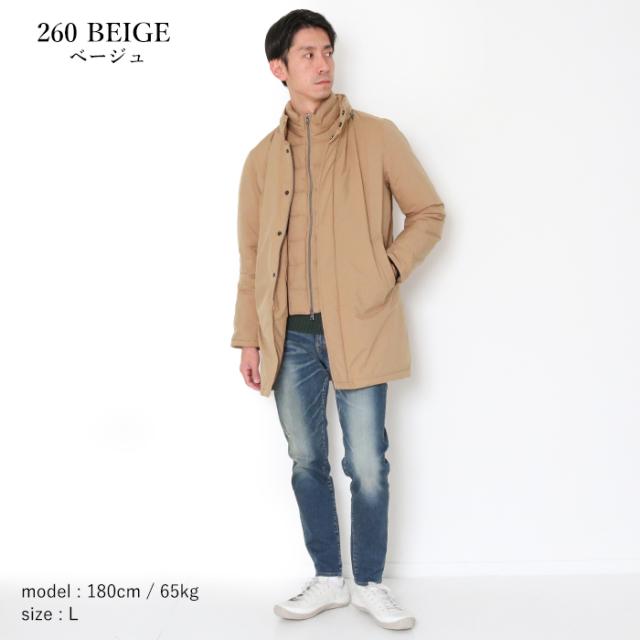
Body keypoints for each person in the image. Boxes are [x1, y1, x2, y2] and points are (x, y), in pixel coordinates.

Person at [230, 8, 446, 631]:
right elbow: (251, 258)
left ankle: (370, 583)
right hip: (289, 337)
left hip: (361, 326)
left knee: (368, 463)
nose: (323, 64)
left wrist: (386, 269)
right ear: (279, 68)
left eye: (327, 51)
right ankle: (329, 577)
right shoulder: (261, 160)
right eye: (308, 54)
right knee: (306, 461)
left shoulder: (377, 137)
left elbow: (428, 213)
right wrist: (248, 338)